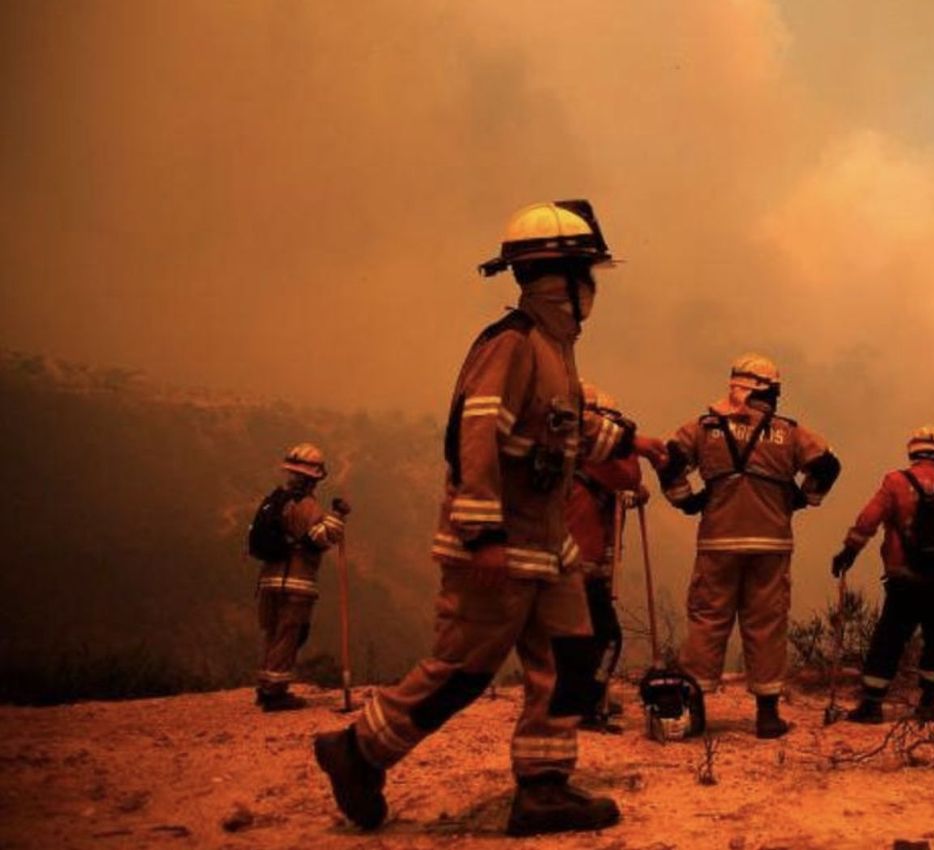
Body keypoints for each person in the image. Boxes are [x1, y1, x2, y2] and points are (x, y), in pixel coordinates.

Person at [313, 200, 666, 836]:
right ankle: (359, 750)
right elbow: (475, 435)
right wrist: (482, 535)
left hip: (547, 547)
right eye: (588, 274)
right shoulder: (512, 344)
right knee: (463, 671)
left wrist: (629, 444)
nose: (593, 290)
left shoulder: (557, 350)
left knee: (573, 659)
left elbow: (554, 433)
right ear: (561, 276)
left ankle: (543, 788)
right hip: (501, 546)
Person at [656, 353, 841, 738]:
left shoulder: (704, 428)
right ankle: (768, 715)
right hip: (771, 544)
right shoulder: (789, 432)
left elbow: (667, 459)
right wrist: (803, 498)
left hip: (717, 542)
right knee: (766, 623)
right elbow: (828, 466)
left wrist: (686, 499)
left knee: (708, 620)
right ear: (767, 391)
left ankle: (694, 710)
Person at [831, 425, 934, 723]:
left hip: (904, 580)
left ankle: (872, 705)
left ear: (912, 450)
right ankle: (928, 704)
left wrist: (849, 551)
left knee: (889, 639)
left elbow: (868, 519)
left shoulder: (896, 483)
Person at [559, 380, 646, 732]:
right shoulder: (595, 458)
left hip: (561, 564)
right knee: (607, 637)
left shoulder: (563, 455)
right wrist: (628, 443)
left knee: (568, 640)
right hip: (583, 567)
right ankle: (587, 704)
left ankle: (571, 702)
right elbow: (629, 475)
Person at [250, 443, 347, 712]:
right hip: (296, 582)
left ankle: (265, 686)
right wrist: (338, 517)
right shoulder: (305, 505)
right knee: (289, 635)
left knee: (272, 634)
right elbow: (320, 538)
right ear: (313, 477)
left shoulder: (276, 500)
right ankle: (275, 693)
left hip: (269, 581)